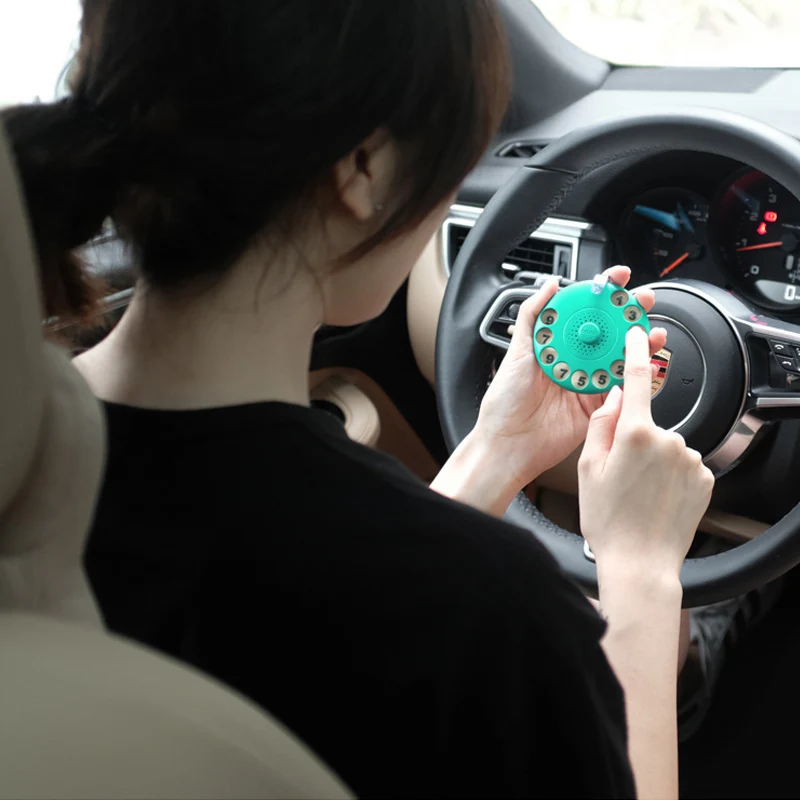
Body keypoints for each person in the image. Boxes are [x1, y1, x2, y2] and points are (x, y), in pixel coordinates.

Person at [3, 1, 715, 797]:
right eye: (457, 157)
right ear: (364, 170)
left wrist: (498, 450)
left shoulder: (29, 476)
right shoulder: (497, 616)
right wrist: (642, 570)